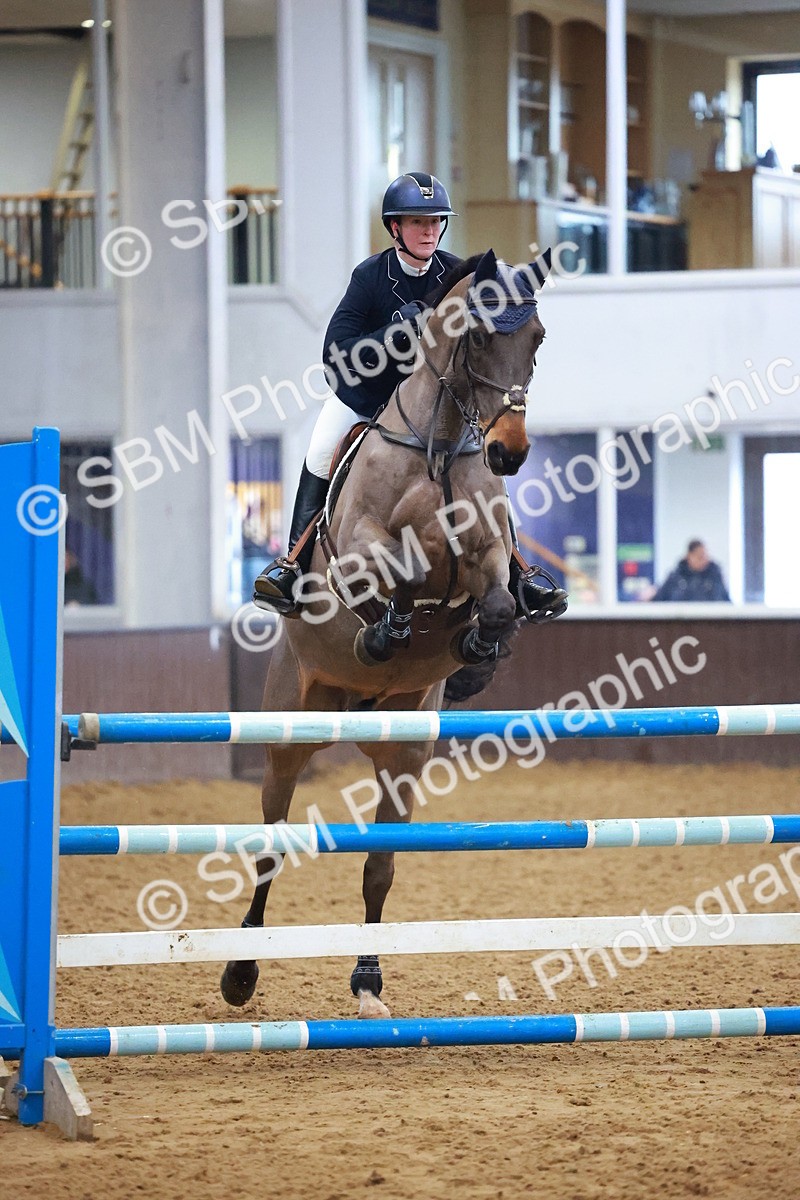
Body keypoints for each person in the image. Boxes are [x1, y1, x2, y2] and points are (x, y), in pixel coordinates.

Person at [252, 170, 567, 621]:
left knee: (482, 465)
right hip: (368, 397)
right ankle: (293, 565)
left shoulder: (461, 275)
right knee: (321, 449)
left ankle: (516, 570)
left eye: (437, 220)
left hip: (437, 406)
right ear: (395, 228)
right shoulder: (370, 277)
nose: (429, 230)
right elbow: (335, 353)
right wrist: (396, 330)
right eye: (417, 222)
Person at [652, 539, 730, 602]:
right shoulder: (675, 578)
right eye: (700, 557)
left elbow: (725, 601)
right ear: (689, 556)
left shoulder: (714, 577)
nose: (704, 561)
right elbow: (659, 600)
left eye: (705, 556)